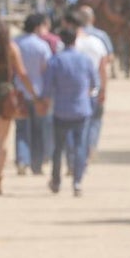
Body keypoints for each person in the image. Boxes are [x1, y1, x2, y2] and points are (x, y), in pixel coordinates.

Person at [0, 14, 39, 195]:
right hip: (6, 94)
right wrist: (34, 94)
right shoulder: (10, 48)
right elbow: (22, 73)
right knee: (3, 140)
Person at [42, 26, 97, 197]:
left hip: (61, 111)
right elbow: (95, 83)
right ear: (75, 40)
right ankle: (77, 182)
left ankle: (56, 181)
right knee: (80, 147)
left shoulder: (56, 60)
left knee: (58, 148)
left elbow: (47, 88)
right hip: (81, 109)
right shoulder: (85, 60)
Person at [15, 13, 53, 177]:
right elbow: (46, 71)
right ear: (37, 27)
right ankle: (36, 165)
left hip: (19, 93)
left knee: (21, 129)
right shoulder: (42, 46)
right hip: (38, 93)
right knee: (38, 130)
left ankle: (22, 160)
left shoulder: (15, 43)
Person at [68, 8, 109, 158]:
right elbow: (105, 64)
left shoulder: (72, 39)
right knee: (95, 120)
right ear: (92, 19)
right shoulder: (100, 38)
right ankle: (90, 147)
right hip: (94, 88)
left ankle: (75, 154)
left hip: (74, 89)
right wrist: (103, 89)